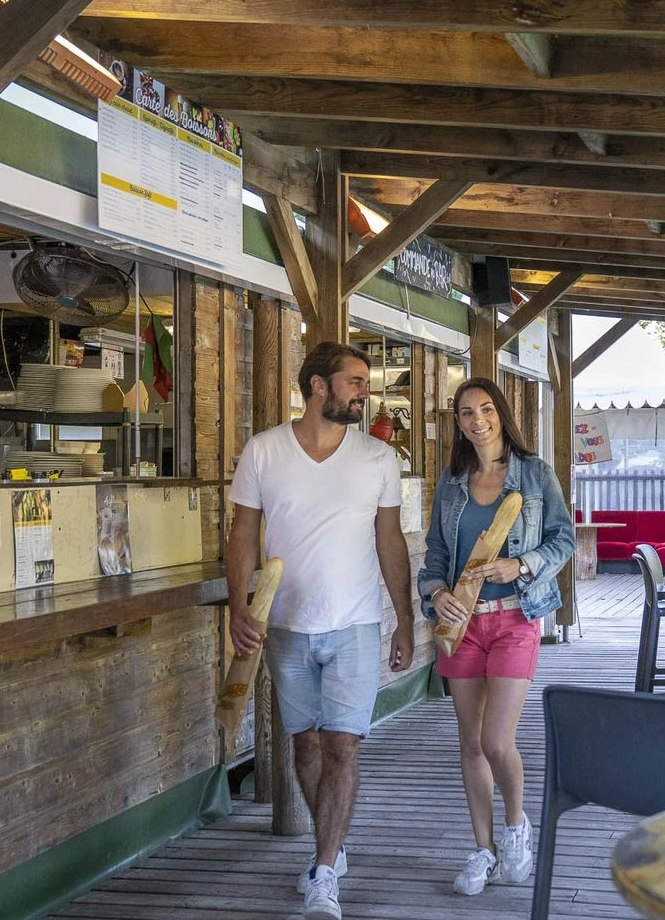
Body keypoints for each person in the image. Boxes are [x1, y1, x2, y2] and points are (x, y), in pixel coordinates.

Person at [226, 342, 415, 920]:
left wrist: (403, 618)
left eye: (364, 382)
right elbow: (242, 535)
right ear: (317, 387)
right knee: (304, 743)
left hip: (355, 623)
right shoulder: (262, 452)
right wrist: (239, 608)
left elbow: (391, 541)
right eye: (354, 381)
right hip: (285, 625)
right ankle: (328, 846)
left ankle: (324, 870)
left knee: (343, 743)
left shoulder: (379, 459)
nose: (364, 392)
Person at [418, 378, 576, 896]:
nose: (477, 419)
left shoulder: (534, 475)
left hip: (515, 618)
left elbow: (564, 539)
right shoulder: (452, 480)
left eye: (486, 409)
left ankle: (515, 828)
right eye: (466, 412)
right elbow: (437, 551)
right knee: (469, 743)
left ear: (502, 415)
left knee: (495, 739)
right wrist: (435, 591)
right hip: (461, 623)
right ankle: (482, 848)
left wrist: (523, 564)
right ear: (458, 422)